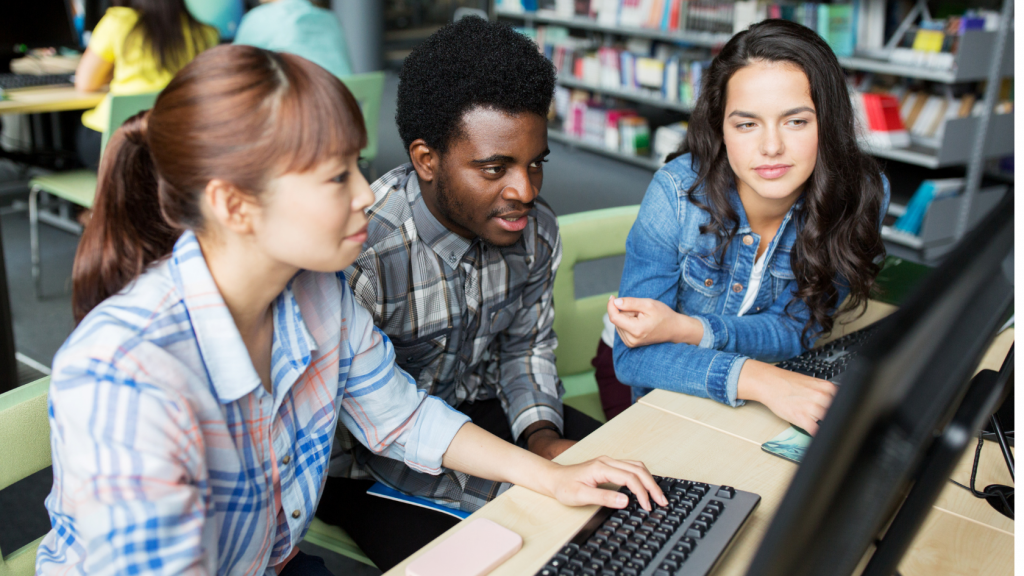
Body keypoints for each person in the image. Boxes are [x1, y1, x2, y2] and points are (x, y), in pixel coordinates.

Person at [36, 45, 666, 576]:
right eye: (336, 177)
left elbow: (400, 417)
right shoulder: (126, 374)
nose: (368, 193)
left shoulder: (316, 294)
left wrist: (547, 474)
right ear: (235, 205)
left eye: (357, 167)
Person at [314, 17, 600, 570]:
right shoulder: (363, 255)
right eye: (496, 168)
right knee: (520, 557)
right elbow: (380, 424)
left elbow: (525, 350)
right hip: (364, 463)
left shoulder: (534, 229)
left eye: (535, 163)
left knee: (630, 489)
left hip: (476, 407)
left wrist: (542, 441)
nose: (525, 191)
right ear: (426, 160)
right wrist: (515, 489)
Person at [598, 19, 890, 433]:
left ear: (829, 121)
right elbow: (635, 359)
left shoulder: (860, 195)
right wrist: (761, 380)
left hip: (757, 375)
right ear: (721, 128)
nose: (771, 147)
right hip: (649, 378)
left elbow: (797, 327)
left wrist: (689, 328)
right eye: (747, 124)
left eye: (796, 121)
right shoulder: (676, 193)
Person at [74, 0, 217, 169]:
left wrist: (112, 71)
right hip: (176, 144)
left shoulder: (119, 22)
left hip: (116, 143)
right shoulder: (205, 33)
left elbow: (85, 83)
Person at [233, 0, 353, 78]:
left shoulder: (259, 18)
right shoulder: (331, 20)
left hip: (300, 112)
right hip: (343, 112)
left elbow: (234, 72)